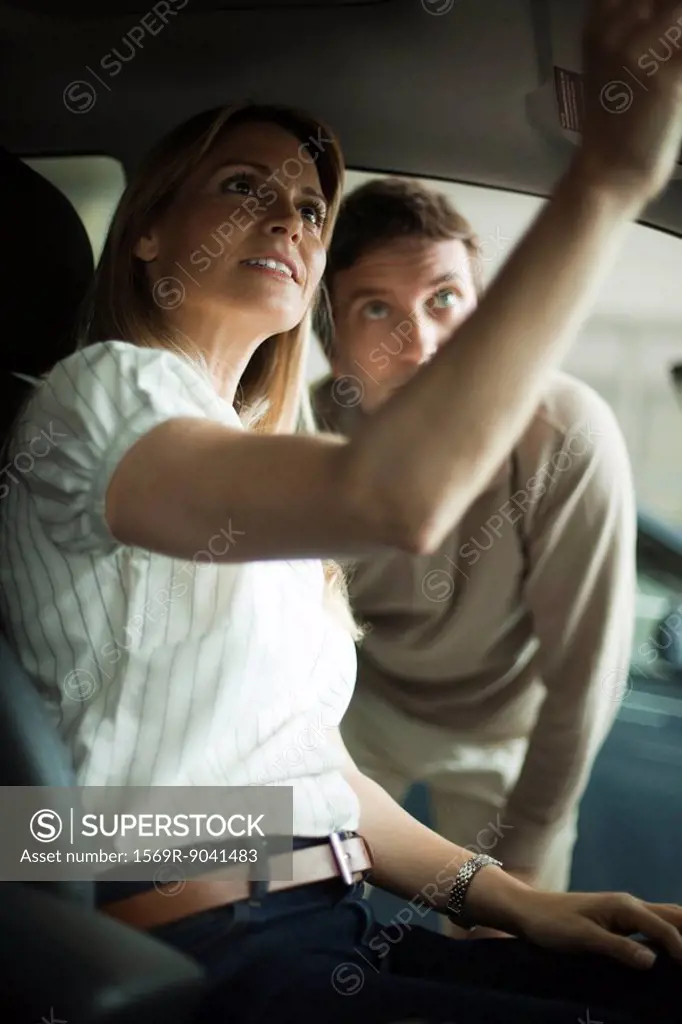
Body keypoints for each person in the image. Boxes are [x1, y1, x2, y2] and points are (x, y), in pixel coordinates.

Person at [2, 3, 682, 1021]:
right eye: (243, 189)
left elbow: (311, 775)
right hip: (205, 951)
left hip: (332, 923)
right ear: (146, 233)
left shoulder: (254, 461)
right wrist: (607, 179)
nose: (286, 219)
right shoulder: (99, 392)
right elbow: (396, 496)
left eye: (309, 208)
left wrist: (518, 902)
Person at [310, 174, 636, 917]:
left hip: (506, 723)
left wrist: (519, 873)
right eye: (376, 309)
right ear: (335, 345)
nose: (421, 343)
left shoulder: (565, 434)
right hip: (363, 706)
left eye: (445, 300)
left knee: (521, 946)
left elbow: (585, 680)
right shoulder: (308, 436)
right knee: (303, 906)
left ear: (488, 313)